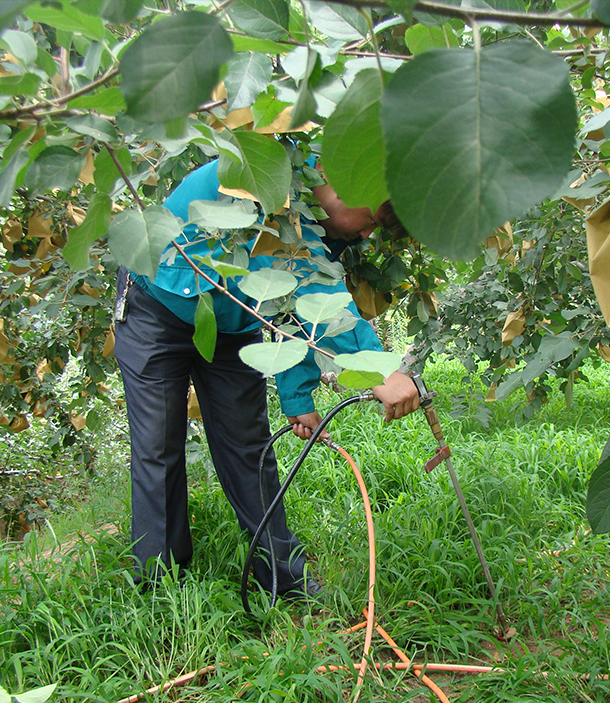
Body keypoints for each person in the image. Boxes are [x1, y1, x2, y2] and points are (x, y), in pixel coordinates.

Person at [113, 155, 420, 599]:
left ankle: (283, 578)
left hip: (233, 327)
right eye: (371, 220)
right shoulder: (273, 168)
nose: (366, 233)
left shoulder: (314, 222)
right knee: (158, 447)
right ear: (351, 182)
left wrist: (298, 402)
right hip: (156, 308)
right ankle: (160, 590)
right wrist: (380, 370)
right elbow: (311, 283)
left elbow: (290, 307)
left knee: (249, 449)